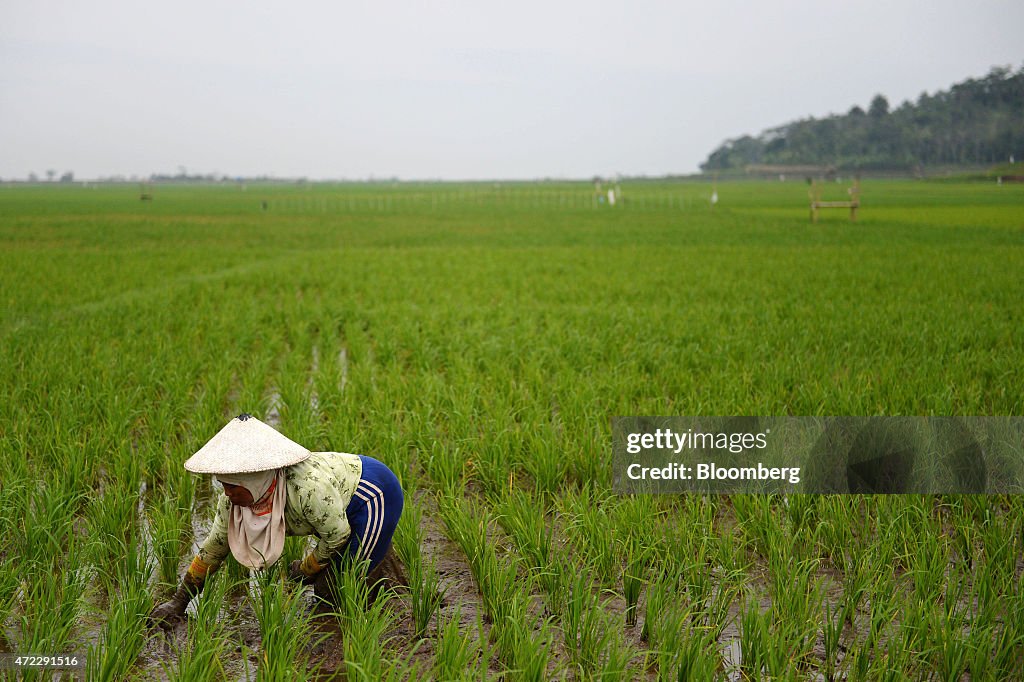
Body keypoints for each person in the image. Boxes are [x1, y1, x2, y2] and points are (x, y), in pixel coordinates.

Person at [150, 413, 405, 625]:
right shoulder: (233, 500)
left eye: (233, 487)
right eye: (223, 485)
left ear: (253, 481)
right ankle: (391, 584)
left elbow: (337, 535)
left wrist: (306, 569)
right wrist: (178, 602)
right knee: (346, 564)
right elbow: (212, 549)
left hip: (371, 495)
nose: (227, 494)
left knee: (335, 587)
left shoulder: (306, 489)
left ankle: (356, 636)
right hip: (335, 510)